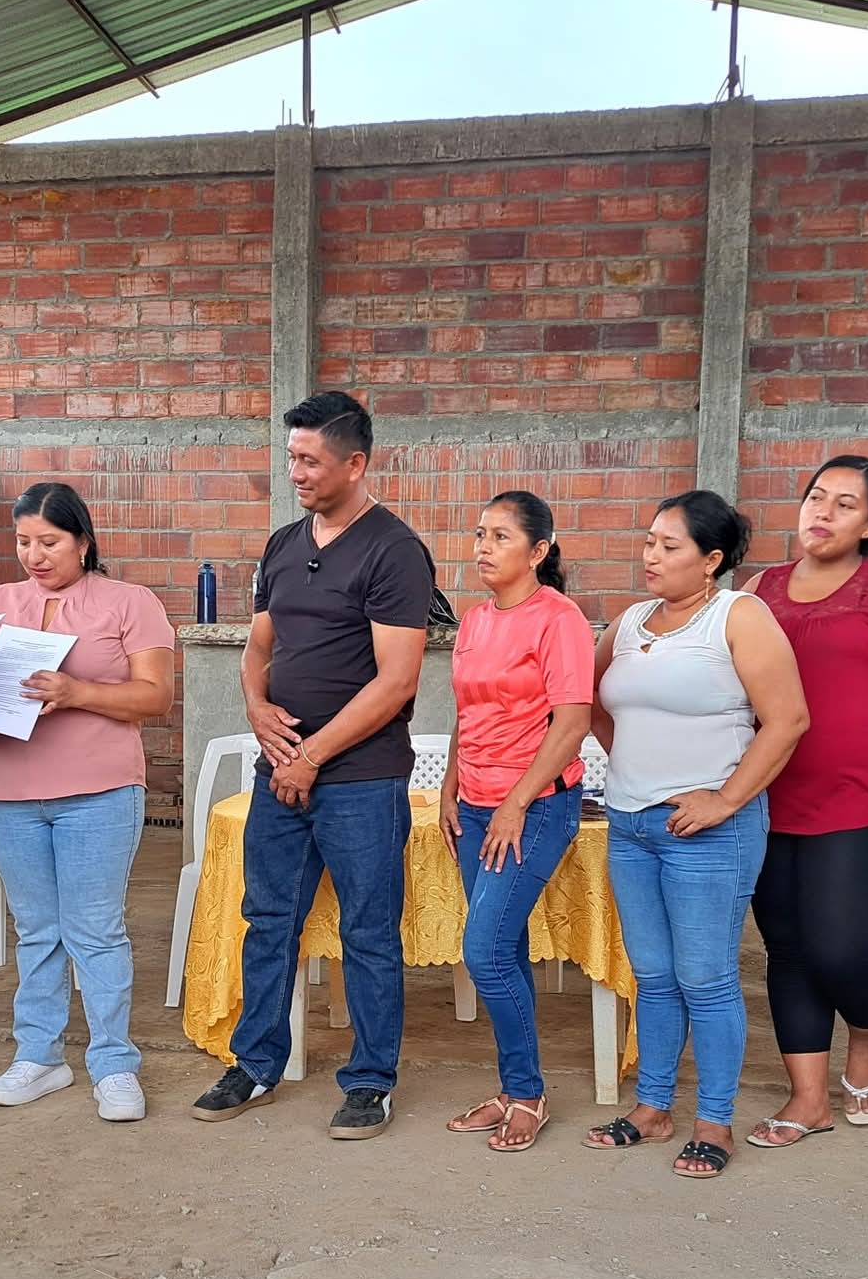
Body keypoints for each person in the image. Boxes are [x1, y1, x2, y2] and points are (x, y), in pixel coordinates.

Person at [189, 390, 435, 1140]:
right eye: (291, 457)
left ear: (355, 464)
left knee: (368, 931)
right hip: (281, 771)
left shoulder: (394, 550)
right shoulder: (282, 544)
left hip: (362, 779)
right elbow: (259, 647)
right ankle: (256, 1063)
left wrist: (312, 757)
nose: (295, 472)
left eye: (310, 460)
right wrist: (257, 709)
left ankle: (369, 1082)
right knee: (268, 920)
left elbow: (396, 681)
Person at [585, 491, 808, 1179]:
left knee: (705, 978)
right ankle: (653, 1108)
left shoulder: (739, 616)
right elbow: (591, 705)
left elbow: (788, 720)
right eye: (649, 541)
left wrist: (725, 798)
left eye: (670, 546)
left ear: (711, 560)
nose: (651, 555)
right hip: (631, 825)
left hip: (709, 832)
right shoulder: (629, 622)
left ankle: (714, 1122)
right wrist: (637, 773)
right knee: (653, 975)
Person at [0, 483, 175, 1123]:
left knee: (95, 931)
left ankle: (114, 1064)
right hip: (11, 791)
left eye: (49, 542)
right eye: (23, 542)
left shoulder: (130, 602)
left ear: (83, 541)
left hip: (99, 791)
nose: (34, 556)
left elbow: (155, 697)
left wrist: (76, 691)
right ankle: (40, 1056)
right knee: (36, 930)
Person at [744, 457, 868, 1148]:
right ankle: (808, 1099)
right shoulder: (759, 591)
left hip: (858, 801)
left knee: (839, 948)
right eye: (815, 498)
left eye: (845, 504)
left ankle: (867, 1034)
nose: (823, 512)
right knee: (787, 950)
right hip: (768, 797)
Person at [439, 491, 593, 1152]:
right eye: (480, 534)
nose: (483, 547)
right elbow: (467, 714)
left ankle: (527, 1093)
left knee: (484, 951)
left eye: (500, 536)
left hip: (535, 806)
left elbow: (573, 723)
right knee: (504, 949)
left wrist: (516, 802)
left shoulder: (559, 619)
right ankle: (515, 1088)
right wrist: (449, 787)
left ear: (538, 551)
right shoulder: (474, 620)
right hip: (474, 807)